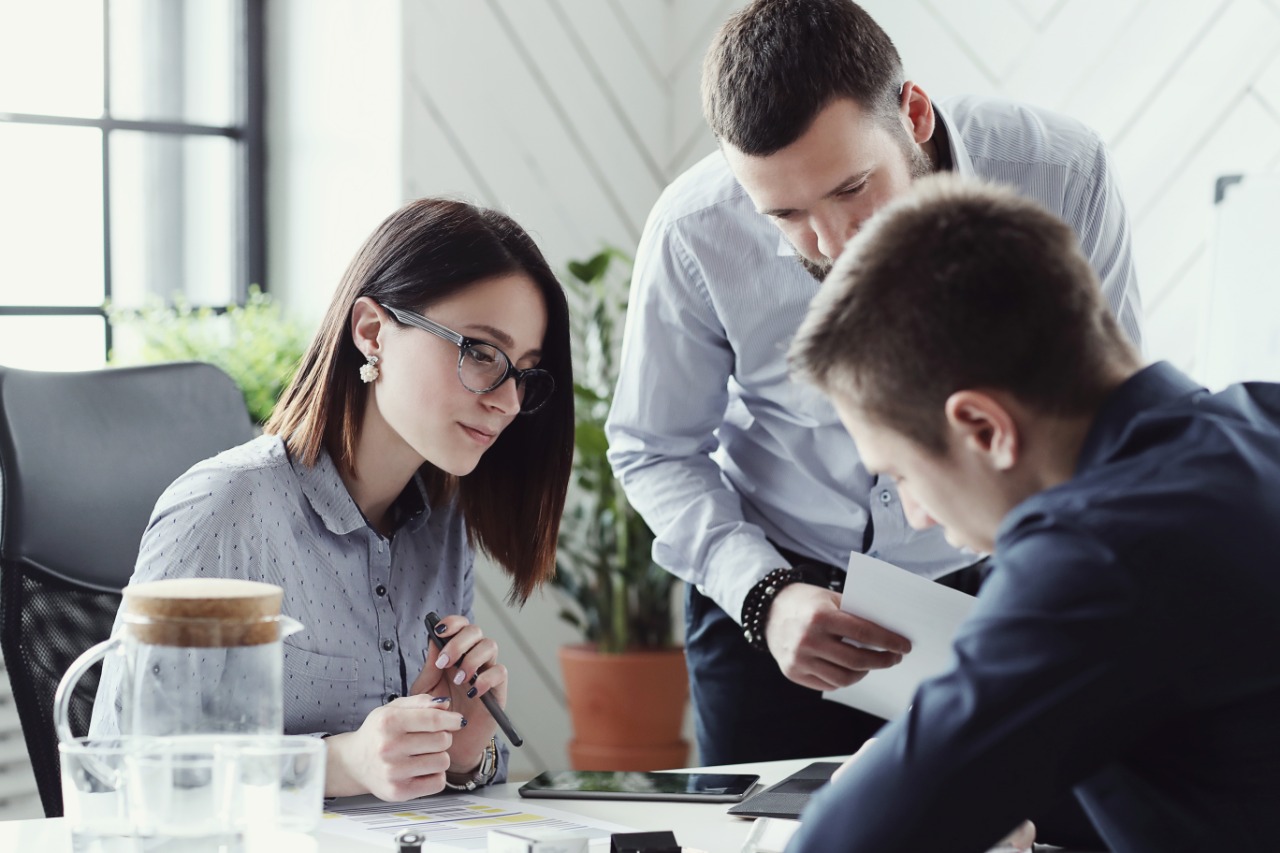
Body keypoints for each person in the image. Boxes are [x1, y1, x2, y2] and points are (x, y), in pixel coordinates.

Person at [605, 0, 1143, 771]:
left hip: (1008, 583)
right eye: (784, 214)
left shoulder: (1064, 172)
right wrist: (765, 595)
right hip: (776, 603)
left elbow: (1107, 415)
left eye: (853, 186)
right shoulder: (693, 230)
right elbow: (654, 447)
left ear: (913, 113)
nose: (832, 242)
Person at [783, 173, 1280, 853]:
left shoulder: (1096, 554)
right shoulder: (1261, 423)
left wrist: (901, 788)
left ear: (984, 428)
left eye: (901, 474)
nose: (920, 516)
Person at [91, 198, 574, 801]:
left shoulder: (441, 522)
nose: (506, 401)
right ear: (372, 332)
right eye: (480, 352)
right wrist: (339, 764)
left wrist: (461, 753)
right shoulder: (223, 510)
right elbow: (117, 774)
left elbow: (435, 783)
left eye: (524, 373)